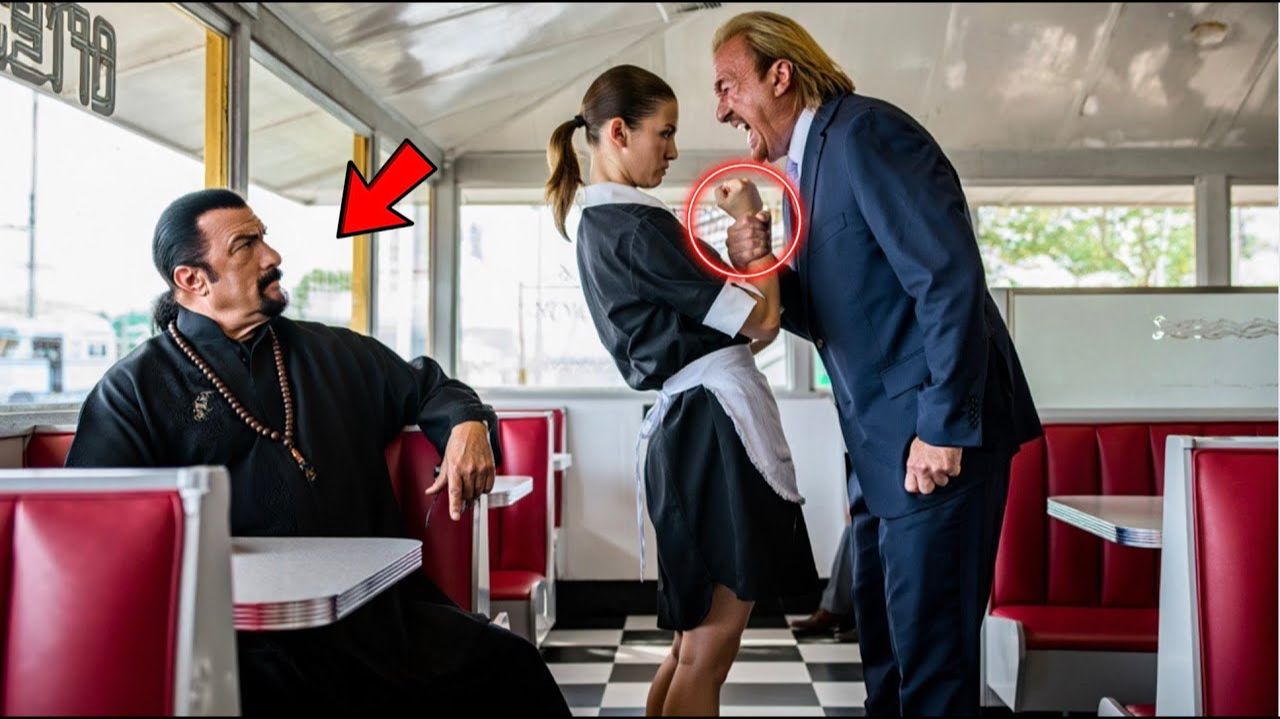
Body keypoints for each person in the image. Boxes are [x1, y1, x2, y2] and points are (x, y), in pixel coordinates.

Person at [65, 188, 570, 716]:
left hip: (378, 622)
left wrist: (467, 423)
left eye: (264, 238)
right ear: (192, 280)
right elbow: (100, 530)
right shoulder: (134, 390)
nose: (272, 255)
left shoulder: (332, 351)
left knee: (512, 665)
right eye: (246, 245)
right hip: (236, 643)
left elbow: (430, 386)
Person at [713, 12, 1043, 716]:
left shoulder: (866, 133)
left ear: (780, 75)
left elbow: (947, 278)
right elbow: (836, 311)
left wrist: (943, 427)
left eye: (728, 86)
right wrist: (762, 260)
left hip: (936, 442)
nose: (721, 110)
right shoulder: (808, 168)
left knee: (932, 669)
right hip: (880, 448)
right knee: (887, 659)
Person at [546, 64, 819, 716]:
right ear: (619, 132)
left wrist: (748, 257)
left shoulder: (604, 225)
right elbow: (763, 321)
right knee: (707, 649)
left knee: (689, 647)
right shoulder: (639, 228)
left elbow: (737, 329)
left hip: (689, 425)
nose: (672, 151)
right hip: (711, 430)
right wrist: (753, 223)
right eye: (664, 134)